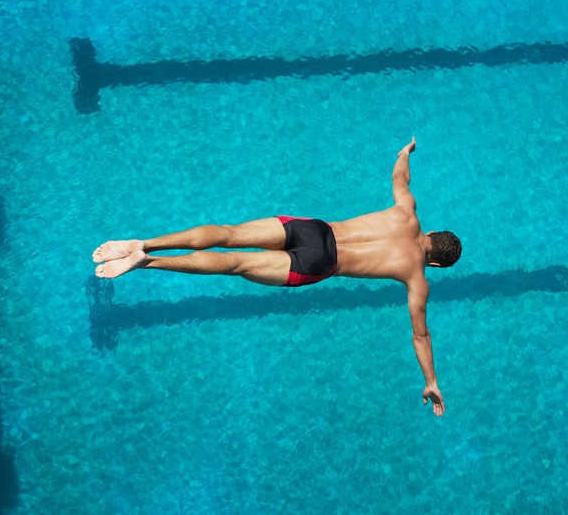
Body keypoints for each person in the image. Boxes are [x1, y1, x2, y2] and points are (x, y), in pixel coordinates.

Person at [91, 137, 461, 416]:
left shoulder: (408, 212)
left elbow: (400, 179)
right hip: (319, 264)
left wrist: (405, 152)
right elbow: (421, 336)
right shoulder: (418, 278)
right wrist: (431, 381)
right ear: (438, 264)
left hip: (315, 230)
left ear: (432, 234)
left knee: (228, 233)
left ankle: (144, 243)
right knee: (234, 263)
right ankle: (145, 263)